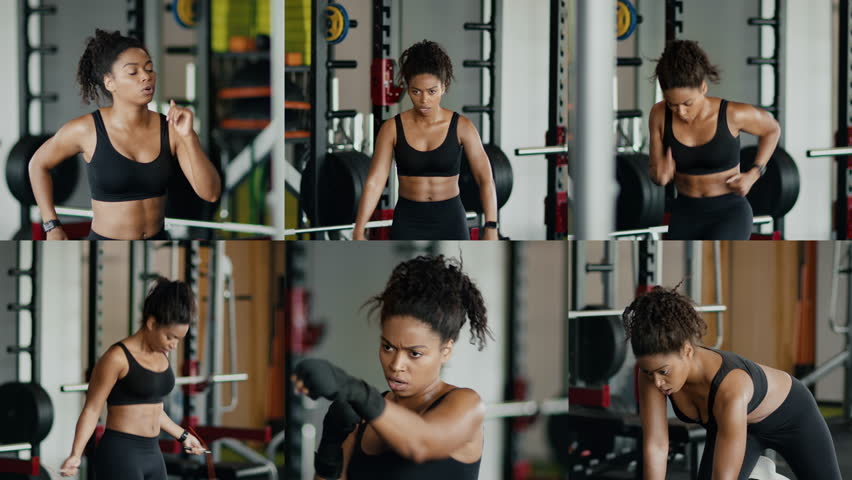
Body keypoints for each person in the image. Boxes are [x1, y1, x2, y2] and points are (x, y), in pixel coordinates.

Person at [292, 255, 492, 479]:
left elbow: (421, 443)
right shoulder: (363, 415)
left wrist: (355, 390)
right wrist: (330, 448)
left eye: (414, 353)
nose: (396, 365)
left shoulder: (467, 405)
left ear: (445, 351)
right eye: (388, 347)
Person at [624, 286, 842, 480]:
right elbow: (657, 445)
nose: (658, 382)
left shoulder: (731, 387)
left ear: (687, 350)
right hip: (739, 427)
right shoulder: (651, 376)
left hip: (793, 418)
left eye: (664, 371)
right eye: (648, 372)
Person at [29, 29, 221, 240]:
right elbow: (37, 165)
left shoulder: (172, 129)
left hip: (158, 238)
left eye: (149, 69)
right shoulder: (86, 130)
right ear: (110, 82)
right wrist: (51, 225)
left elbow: (210, 193)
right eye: (133, 72)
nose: (146, 76)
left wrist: (189, 137)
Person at [60, 278, 207, 478]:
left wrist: (183, 436)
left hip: (153, 453)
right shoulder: (117, 357)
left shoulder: (161, 354)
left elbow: (153, 409)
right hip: (121, 453)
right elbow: (92, 409)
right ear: (152, 323)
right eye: (170, 336)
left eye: (179, 339)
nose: (174, 345)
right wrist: (76, 454)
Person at [352, 40, 499, 240]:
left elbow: (485, 178)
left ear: (444, 87)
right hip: (408, 218)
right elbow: (375, 181)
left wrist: (491, 227)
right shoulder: (392, 128)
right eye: (416, 91)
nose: (424, 100)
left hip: (451, 219)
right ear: (406, 86)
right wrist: (359, 229)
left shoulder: (462, 126)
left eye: (432, 91)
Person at [648, 40, 780, 240]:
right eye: (673, 104)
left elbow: (772, 130)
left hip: (729, 213)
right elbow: (657, 174)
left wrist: (754, 173)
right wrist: (660, 175)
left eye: (687, 103)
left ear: (703, 88)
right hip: (685, 212)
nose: (681, 112)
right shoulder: (659, 114)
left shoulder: (732, 114)